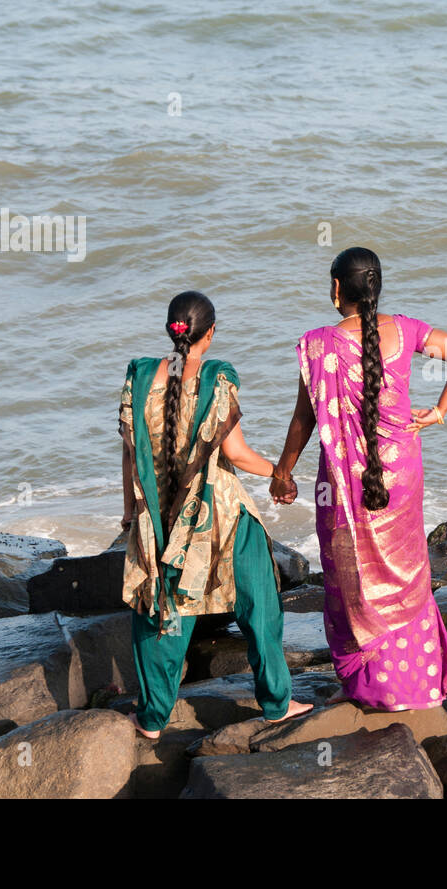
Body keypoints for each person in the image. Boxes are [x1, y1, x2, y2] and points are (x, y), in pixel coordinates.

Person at [269, 248, 447, 711]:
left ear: (338, 288)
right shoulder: (406, 329)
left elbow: (304, 417)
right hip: (402, 469)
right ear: (376, 287)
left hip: (346, 478)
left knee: (351, 570)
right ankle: (416, 686)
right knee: (407, 573)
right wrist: (439, 411)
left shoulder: (319, 343)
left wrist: (283, 471)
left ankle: (369, 683)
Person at [120, 291, 312, 739]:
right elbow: (237, 453)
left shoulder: (140, 376)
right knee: (259, 600)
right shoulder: (216, 379)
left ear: (171, 329)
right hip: (219, 511)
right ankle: (276, 704)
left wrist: (130, 514)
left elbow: (130, 454)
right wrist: (280, 474)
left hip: (160, 517)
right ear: (210, 333)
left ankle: (152, 719)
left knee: (163, 607)